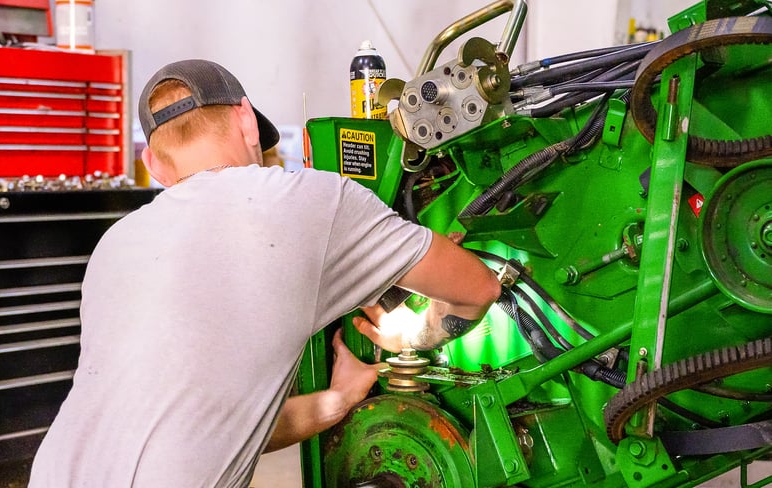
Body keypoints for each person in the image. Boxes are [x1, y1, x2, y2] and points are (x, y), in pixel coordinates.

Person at [28, 59, 501, 487]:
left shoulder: (114, 244)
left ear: (153, 165)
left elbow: (208, 421)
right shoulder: (309, 201)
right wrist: (414, 336)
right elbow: (479, 287)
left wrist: (332, 403)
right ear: (247, 120)